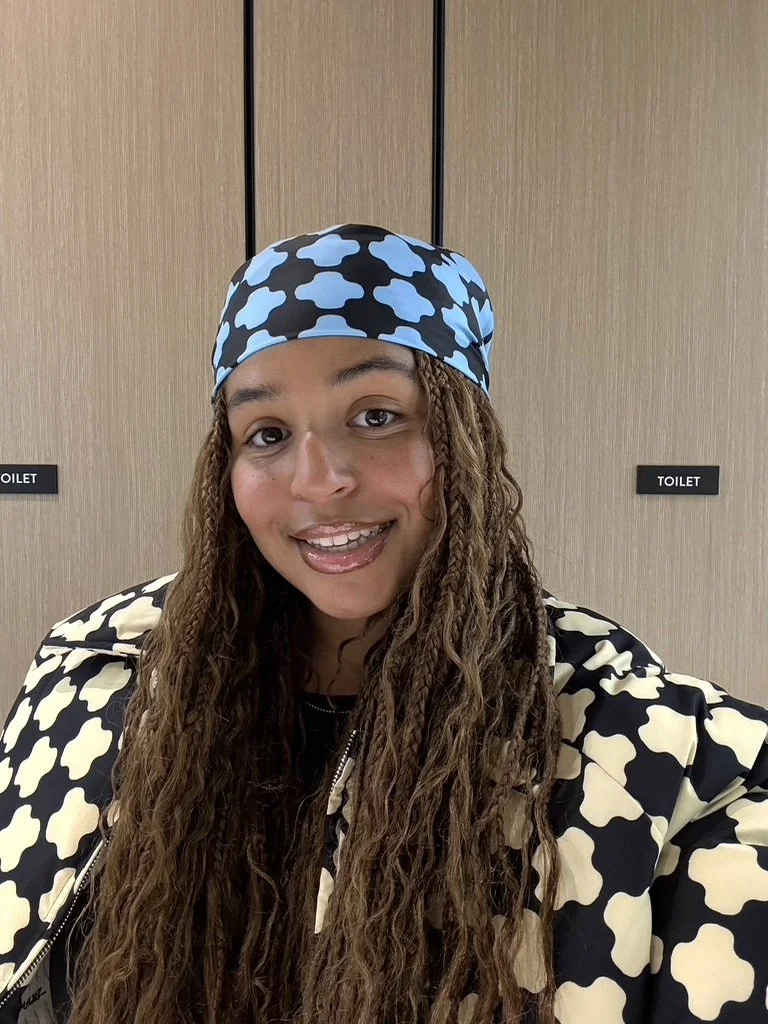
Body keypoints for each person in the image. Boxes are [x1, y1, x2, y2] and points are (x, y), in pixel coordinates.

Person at [0, 223, 766, 1024]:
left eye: (375, 416)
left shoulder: (631, 737)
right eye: (267, 433)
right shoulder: (98, 675)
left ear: (462, 437)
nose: (319, 479)